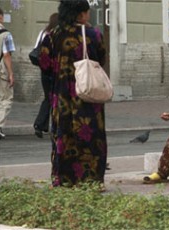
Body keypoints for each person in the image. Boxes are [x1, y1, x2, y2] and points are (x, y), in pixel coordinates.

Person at [39, 0, 107, 188]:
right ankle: (91, 180)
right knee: (91, 136)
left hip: (62, 97)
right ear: (81, 14)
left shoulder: (53, 36)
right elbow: (101, 59)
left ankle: (64, 178)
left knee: (64, 135)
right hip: (88, 95)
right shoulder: (94, 34)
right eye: (87, 12)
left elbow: (44, 64)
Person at [33, 13, 59, 138]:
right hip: (54, 70)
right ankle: (41, 124)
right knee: (53, 98)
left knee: (48, 97)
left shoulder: (43, 32)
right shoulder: (56, 34)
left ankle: (42, 125)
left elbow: (36, 49)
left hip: (44, 70)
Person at [0, 7, 16, 140]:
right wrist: (11, 73)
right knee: (6, 99)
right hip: (0, 71)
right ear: (0, 17)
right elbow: (6, 55)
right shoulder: (5, 34)